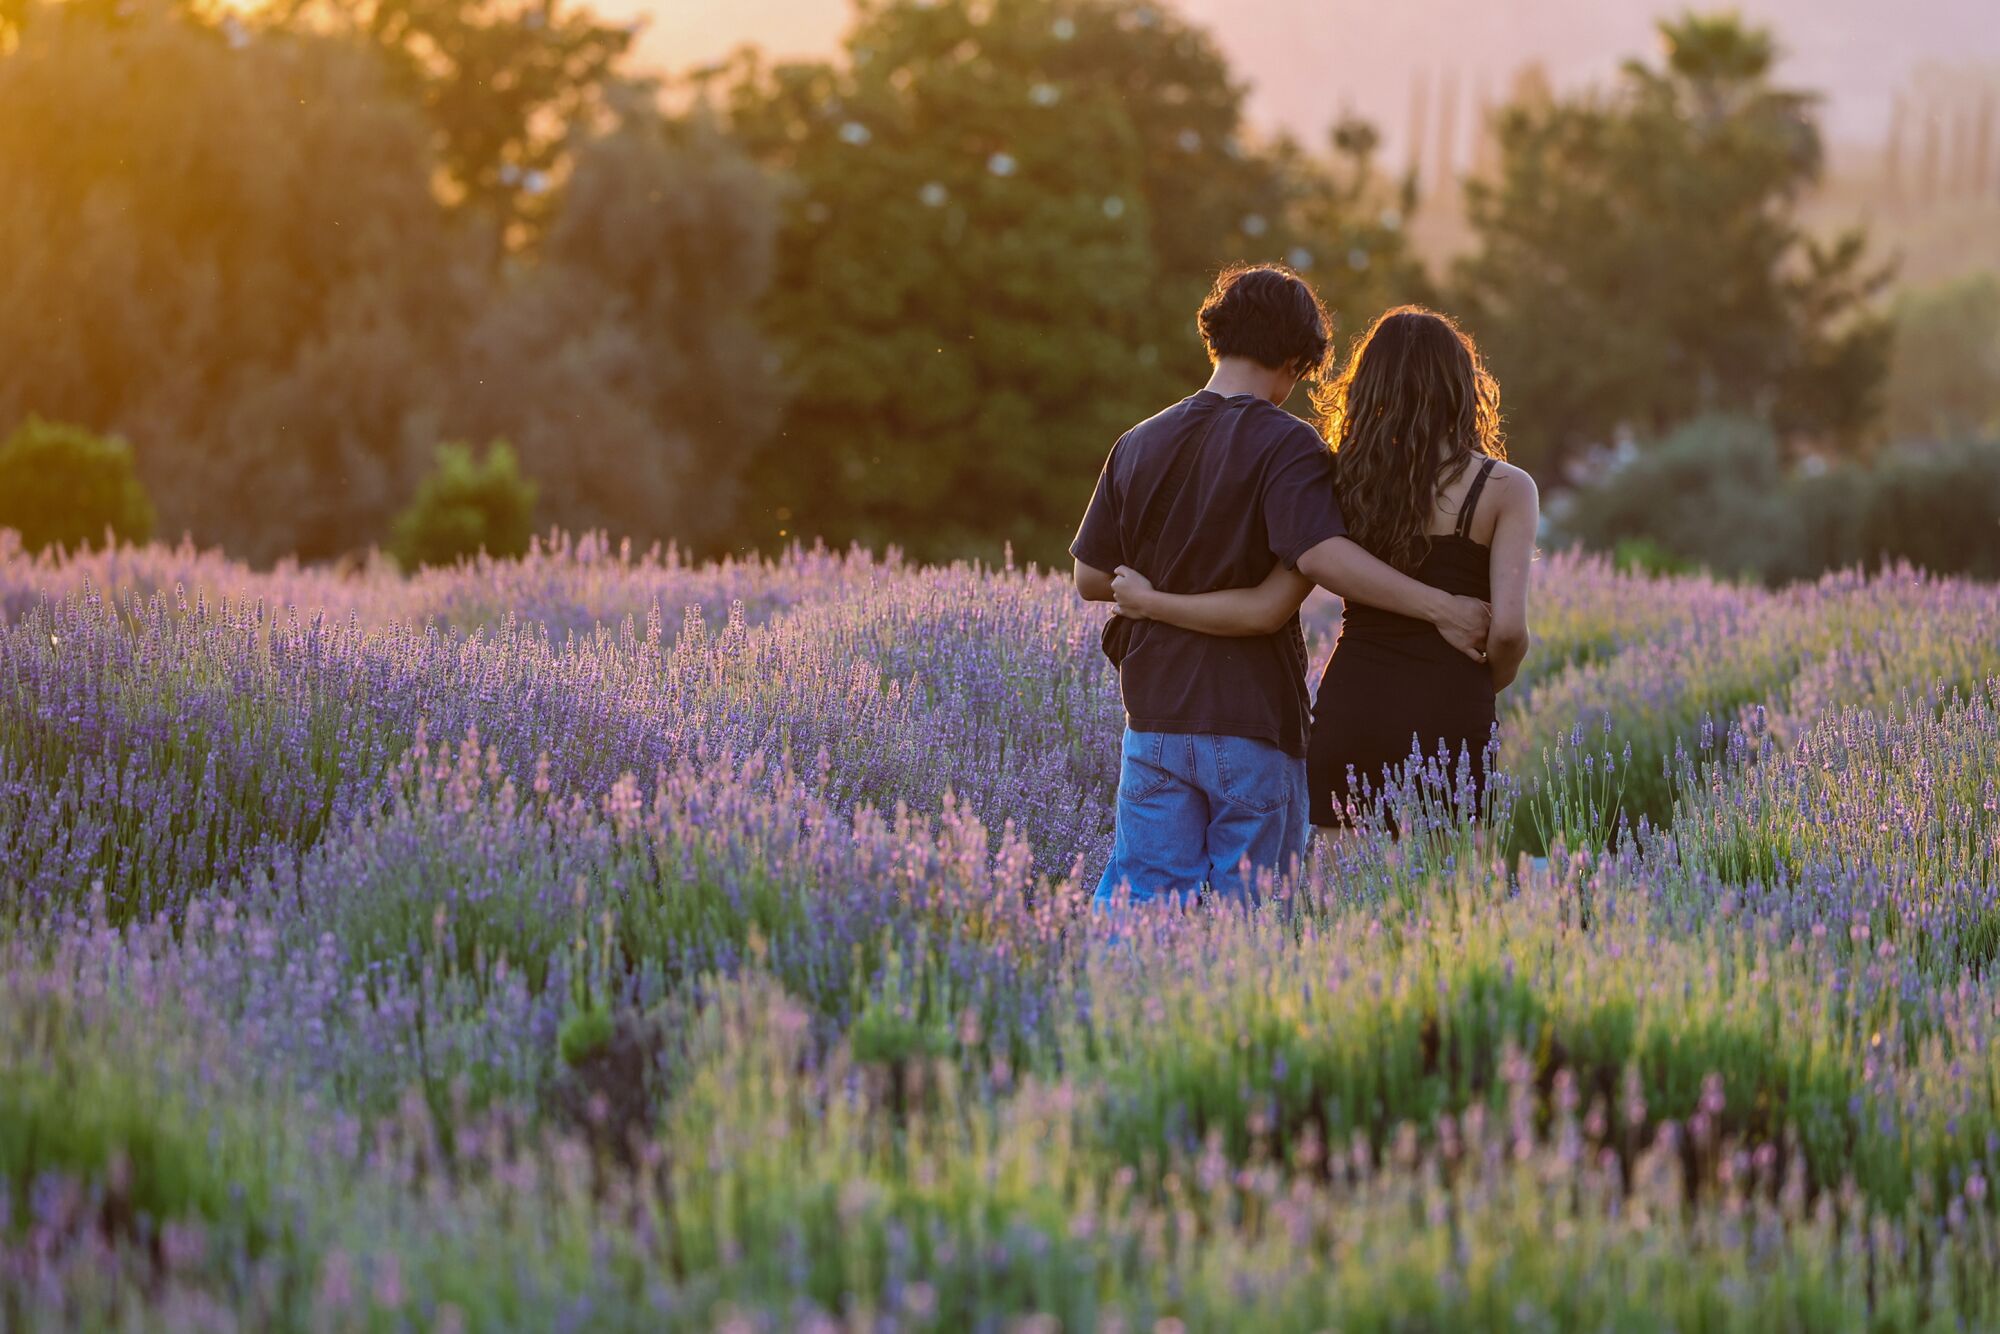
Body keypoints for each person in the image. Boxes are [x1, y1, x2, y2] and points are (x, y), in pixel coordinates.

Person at [1071, 270, 1491, 908]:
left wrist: (1152, 597)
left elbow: (1091, 577)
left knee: (1144, 901)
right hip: (1250, 719)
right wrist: (1441, 607)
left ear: (1217, 338)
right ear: (1296, 359)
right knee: (1252, 911)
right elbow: (1276, 602)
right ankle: (1231, 1010)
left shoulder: (1138, 440)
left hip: (1153, 715)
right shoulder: (1289, 445)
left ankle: (1123, 1006)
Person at [1110, 305, 1537, 829]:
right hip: (1451, 707)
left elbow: (1305, 568)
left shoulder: (1341, 477)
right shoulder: (1508, 488)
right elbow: (1511, 630)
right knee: (1450, 902)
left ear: (1368, 387)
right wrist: (1479, 677)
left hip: (1354, 706)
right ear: (1462, 386)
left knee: (1342, 902)